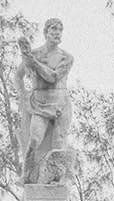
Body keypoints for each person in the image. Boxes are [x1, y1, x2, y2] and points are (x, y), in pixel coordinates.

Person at [15, 18, 74, 184]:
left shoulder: (67, 57)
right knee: (34, 139)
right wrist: (23, 95)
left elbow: (53, 77)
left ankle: (58, 177)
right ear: (46, 32)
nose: (57, 33)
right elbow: (18, 76)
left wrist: (33, 62)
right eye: (54, 29)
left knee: (59, 141)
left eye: (60, 30)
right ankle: (28, 174)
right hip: (39, 104)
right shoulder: (35, 54)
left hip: (61, 103)